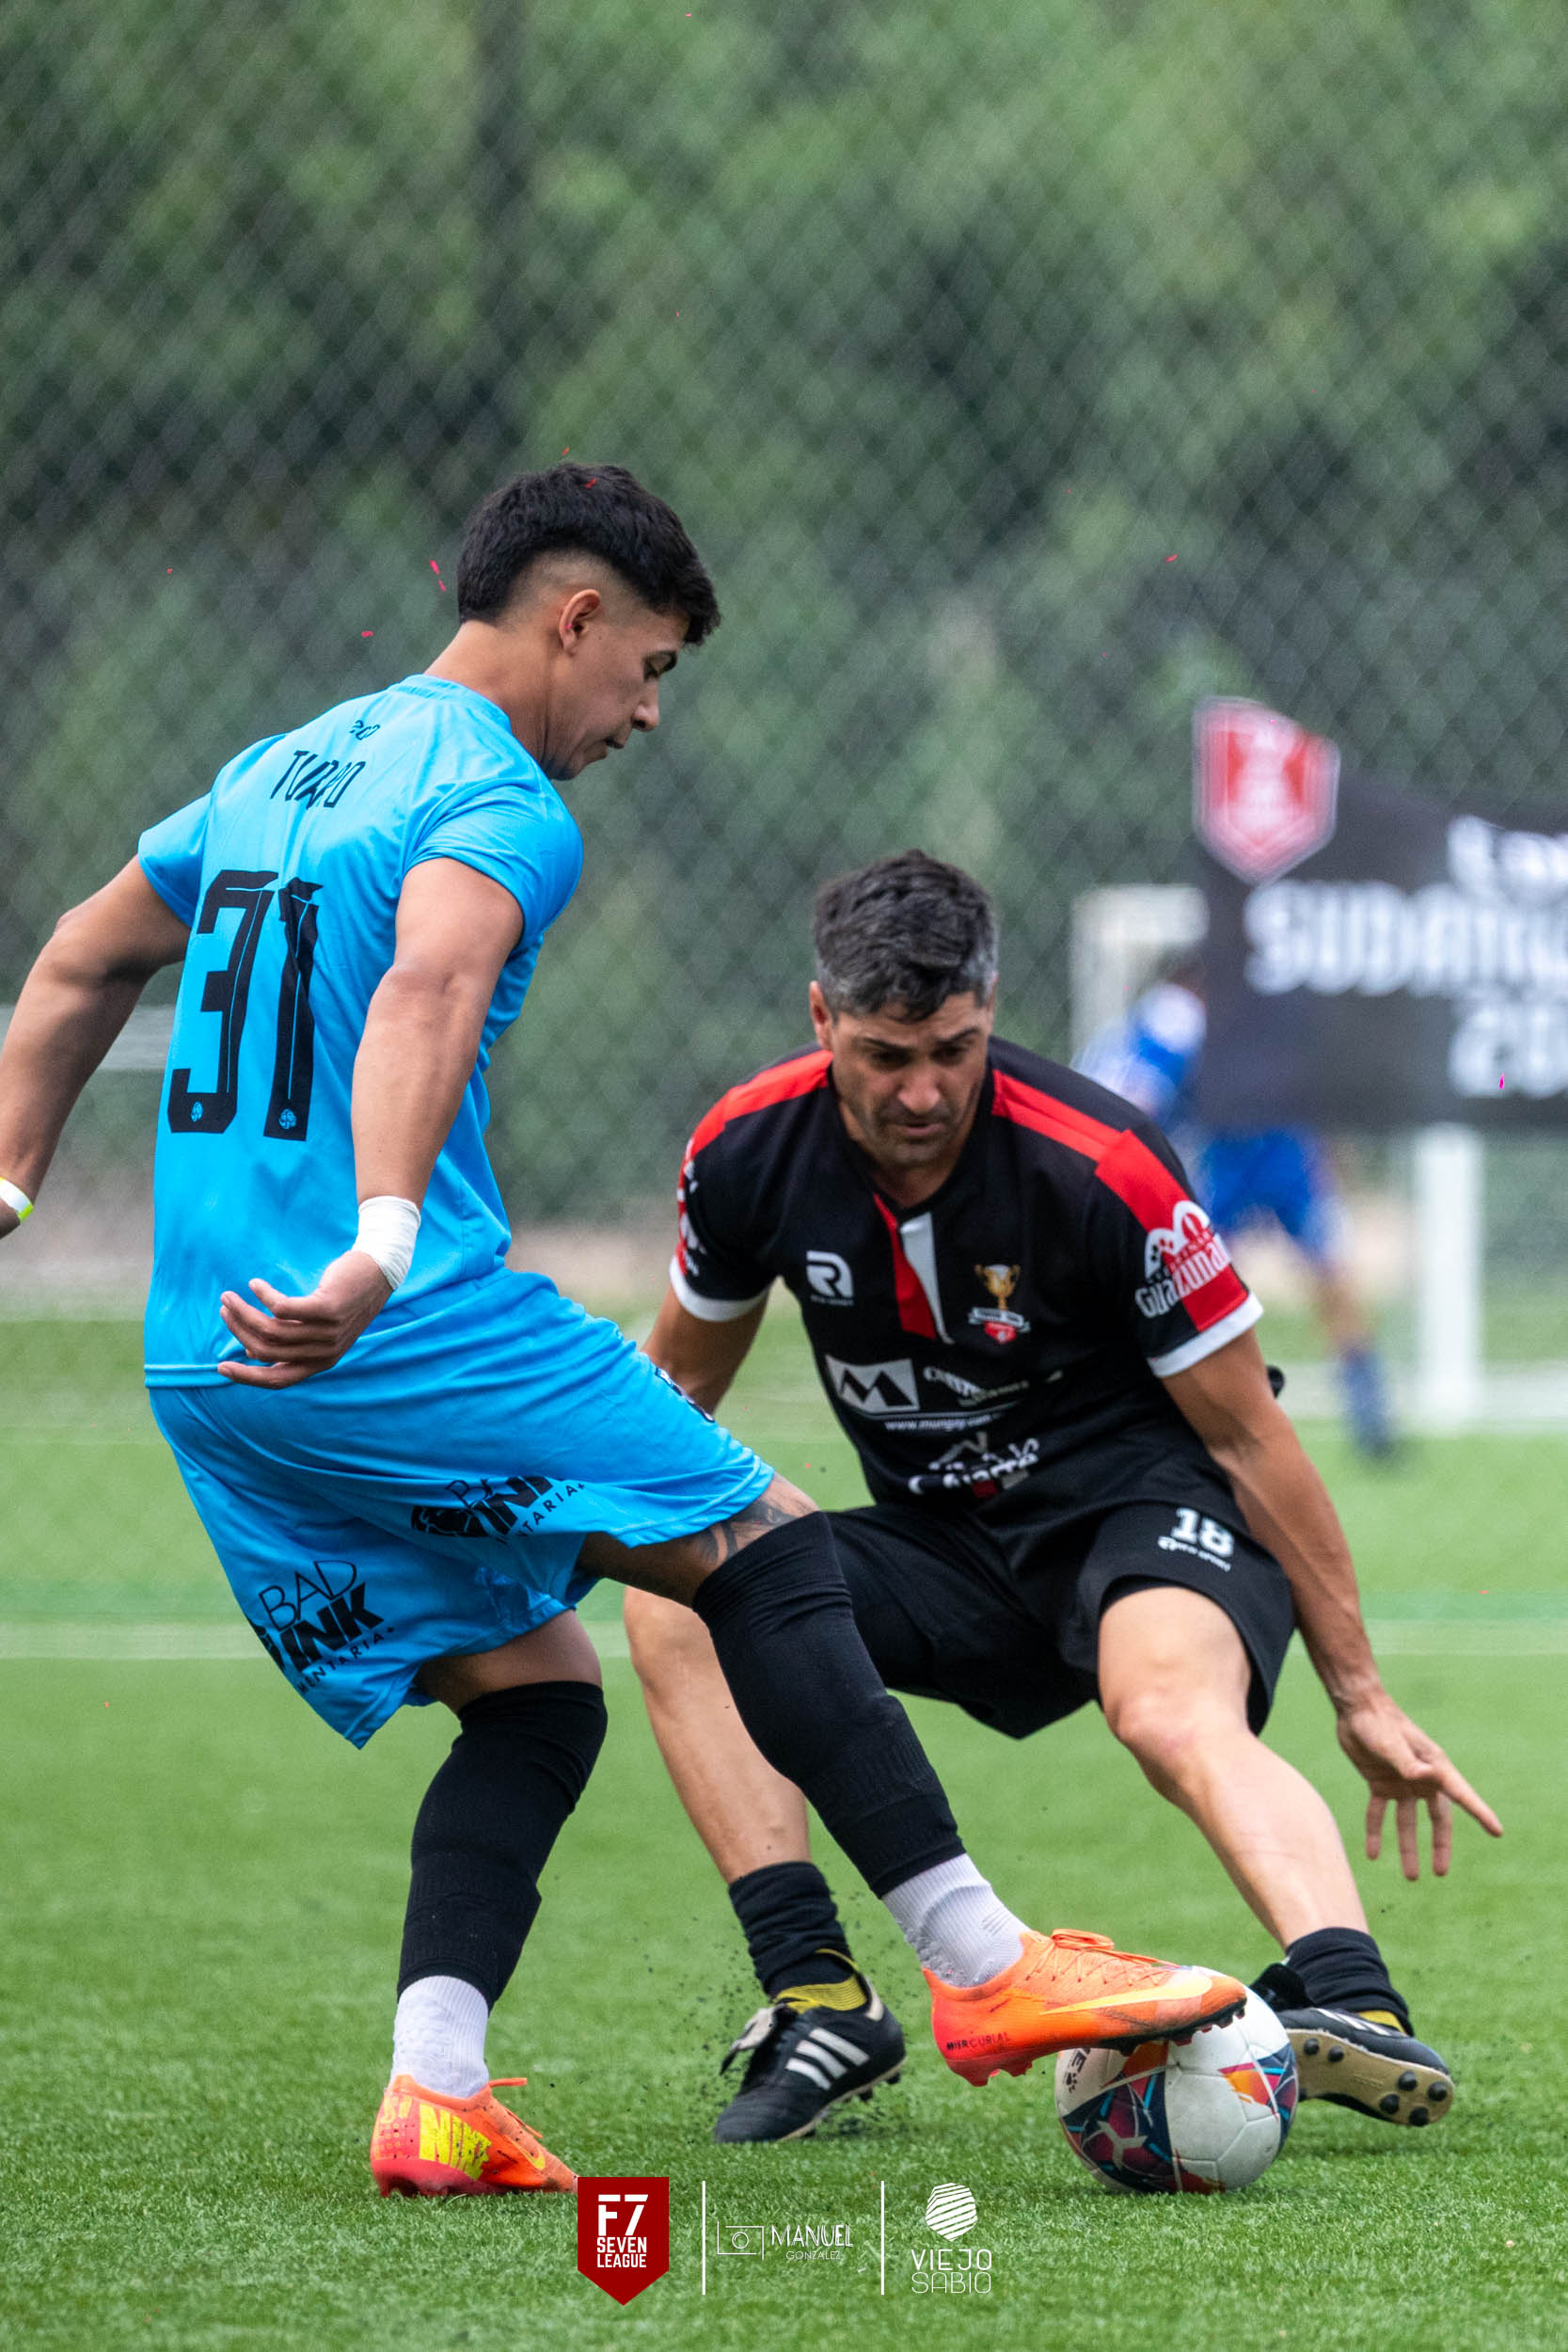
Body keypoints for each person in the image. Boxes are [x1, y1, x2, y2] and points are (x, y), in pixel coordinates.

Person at [0, 472, 1243, 2201]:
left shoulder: (278, 770)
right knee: (764, 1544)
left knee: (535, 1690)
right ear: (572, 618)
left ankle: (437, 2090)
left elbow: (77, 960)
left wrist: (8, 1186)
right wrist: (377, 1244)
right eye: (648, 667)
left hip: (209, 1370)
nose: (647, 712)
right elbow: (431, 984)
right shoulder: (496, 798)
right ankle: (980, 1965)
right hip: (393, 1327)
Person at [624, 850, 1499, 2144]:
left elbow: (1251, 1439)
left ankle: (1344, 1998)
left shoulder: (1100, 1163)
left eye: (953, 1050)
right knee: (678, 1584)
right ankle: (818, 1998)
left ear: (991, 1006)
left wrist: (1357, 1695)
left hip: (1139, 1509)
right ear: (820, 1020)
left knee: (1162, 1707)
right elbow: (671, 1400)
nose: (922, 1091)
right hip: (943, 1545)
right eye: (884, 1056)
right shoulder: (747, 1150)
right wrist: (527, 1520)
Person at [1075, 961, 1397, 1456]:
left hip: (1289, 1159)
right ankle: (1174, 1404)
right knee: (1199, 1292)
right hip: (1225, 1165)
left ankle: (1369, 1413)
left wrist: (1331, 1162)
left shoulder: (1277, 1014)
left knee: (1332, 1280)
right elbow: (1134, 1098)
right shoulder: (1176, 1019)